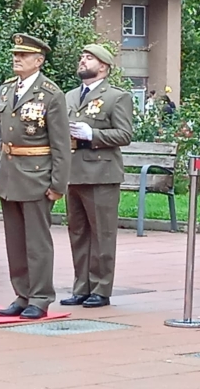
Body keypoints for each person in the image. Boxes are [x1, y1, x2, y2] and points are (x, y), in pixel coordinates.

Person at [0, 33, 71, 320]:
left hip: (37, 174)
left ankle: (40, 296)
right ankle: (22, 293)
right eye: (15, 54)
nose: (17, 58)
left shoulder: (51, 94)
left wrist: (58, 183)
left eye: (23, 55)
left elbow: (61, 143)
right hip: (10, 172)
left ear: (38, 61)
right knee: (14, 240)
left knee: (37, 242)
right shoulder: (5, 90)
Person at [61, 45, 133, 308]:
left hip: (101, 172)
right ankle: (82, 286)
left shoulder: (116, 96)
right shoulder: (69, 96)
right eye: (82, 56)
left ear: (103, 66)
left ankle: (101, 288)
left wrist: (92, 135)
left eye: (89, 58)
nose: (82, 61)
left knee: (102, 234)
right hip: (73, 171)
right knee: (78, 232)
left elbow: (124, 134)